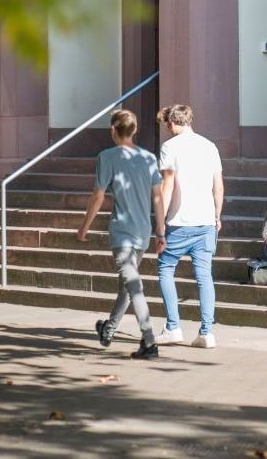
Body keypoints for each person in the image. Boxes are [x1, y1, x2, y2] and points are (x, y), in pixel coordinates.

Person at [79, 110, 166, 360]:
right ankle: (109, 329)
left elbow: (98, 196)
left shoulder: (106, 157)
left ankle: (149, 341)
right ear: (135, 129)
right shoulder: (149, 158)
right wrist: (161, 231)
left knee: (133, 286)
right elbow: (158, 198)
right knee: (127, 286)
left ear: (113, 130)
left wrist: (85, 225)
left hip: (123, 232)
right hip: (143, 232)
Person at [155, 104, 223, 349]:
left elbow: (168, 185)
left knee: (165, 269)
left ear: (172, 123)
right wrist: (217, 216)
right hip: (205, 221)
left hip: (178, 222)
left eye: (167, 125)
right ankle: (207, 332)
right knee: (205, 276)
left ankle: (173, 327)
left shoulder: (170, 147)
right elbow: (218, 186)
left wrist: (160, 222)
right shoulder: (209, 146)